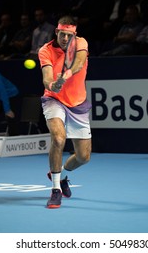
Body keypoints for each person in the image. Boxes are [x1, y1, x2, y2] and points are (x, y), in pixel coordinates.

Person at [38, 15, 92, 209]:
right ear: (57, 32)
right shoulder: (45, 50)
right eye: (62, 34)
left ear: (74, 34)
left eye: (69, 35)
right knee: (59, 139)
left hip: (78, 103)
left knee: (83, 157)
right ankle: (55, 191)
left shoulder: (81, 42)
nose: (65, 39)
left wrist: (66, 75)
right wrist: (53, 84)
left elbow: (78, 63)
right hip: (54, 99)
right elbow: (46, 77)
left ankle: (60, 174)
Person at [0, 71, 20, 136]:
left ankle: (14, 138)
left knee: (10, 116)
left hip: (11, 95)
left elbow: (2, 92)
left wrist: (7, 110)